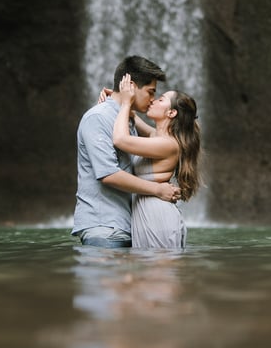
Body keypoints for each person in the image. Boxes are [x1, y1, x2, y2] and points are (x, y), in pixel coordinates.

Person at [71, 56, 181, 248]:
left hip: (126, 227)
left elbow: (154, 139)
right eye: (150, 92)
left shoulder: (126, 119)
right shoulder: (98, 118)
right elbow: (108, 174)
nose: (152, 99)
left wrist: (125, 105)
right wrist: (158, 190)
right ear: (130, 86)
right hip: (104, 228)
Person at [113, 73, 201, 248]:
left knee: (160, 274)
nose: (153, 101)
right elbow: (132, 117)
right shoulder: (156, 135)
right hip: (148, 209)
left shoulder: (168, 144)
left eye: (160, 99)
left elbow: (120, 140)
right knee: (151, 273)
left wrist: (124, 103)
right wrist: (115, 97)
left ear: (171, 112)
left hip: (158, 215)